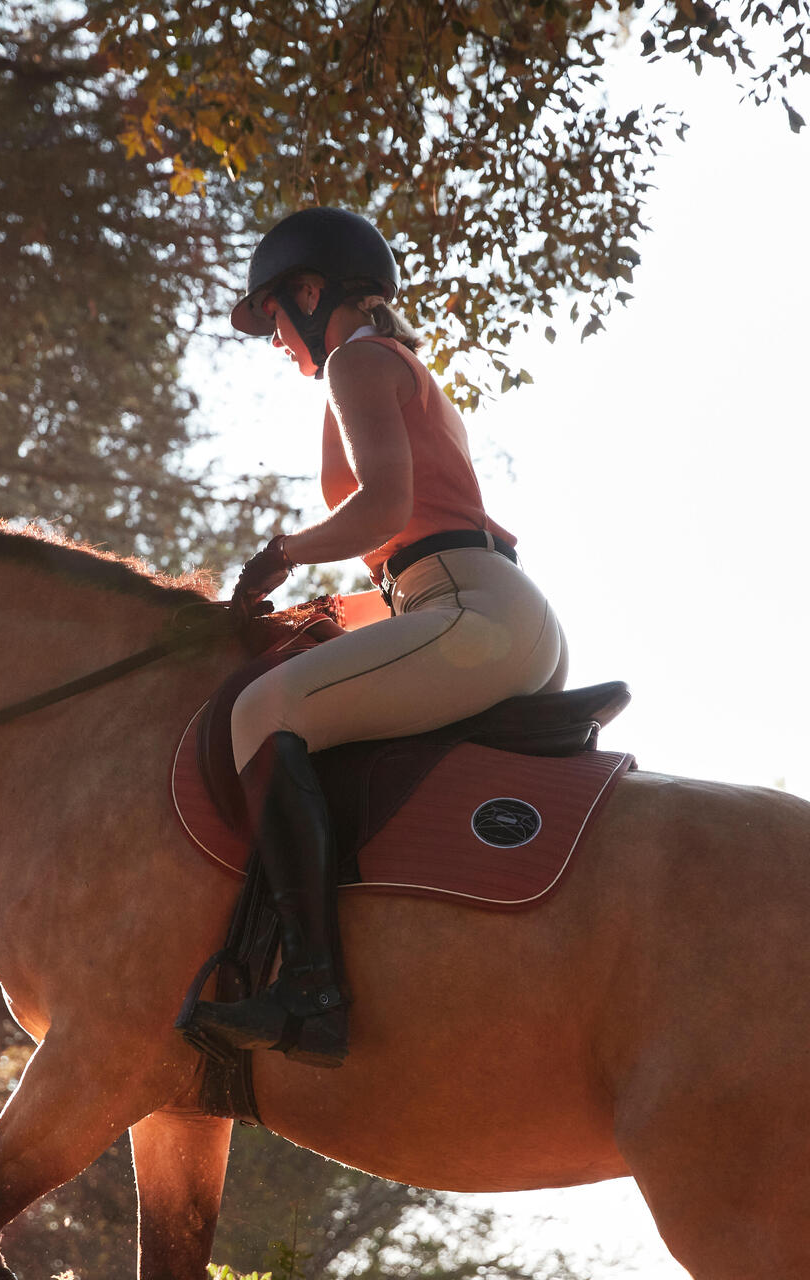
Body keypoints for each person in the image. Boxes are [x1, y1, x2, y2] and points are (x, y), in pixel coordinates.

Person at [184, 207, 570, 1069]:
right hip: (484, 611)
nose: (276, 341)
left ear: (311, 295)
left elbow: (385, 510)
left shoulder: (357, 361)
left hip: (469, 612)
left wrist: (281, 554)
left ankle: (313, 991)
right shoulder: (381, 365)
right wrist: (318, 614)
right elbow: (405, 545)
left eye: (275, 318)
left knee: (264, 710)